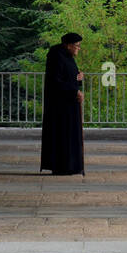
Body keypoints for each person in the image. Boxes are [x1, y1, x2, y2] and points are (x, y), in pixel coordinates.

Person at [40, 32, 85, 175]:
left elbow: (70, 76)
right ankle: (62, 165)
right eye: (77, 46)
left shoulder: (67, 57)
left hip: (69, 103)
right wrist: (74, 91)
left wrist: (78, 78)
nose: (78, 48)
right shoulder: (56, 56)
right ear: (68, 45)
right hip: (60, 106)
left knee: (69, 135)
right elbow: (56, 81)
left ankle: (71, 165)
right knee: (62, 135)